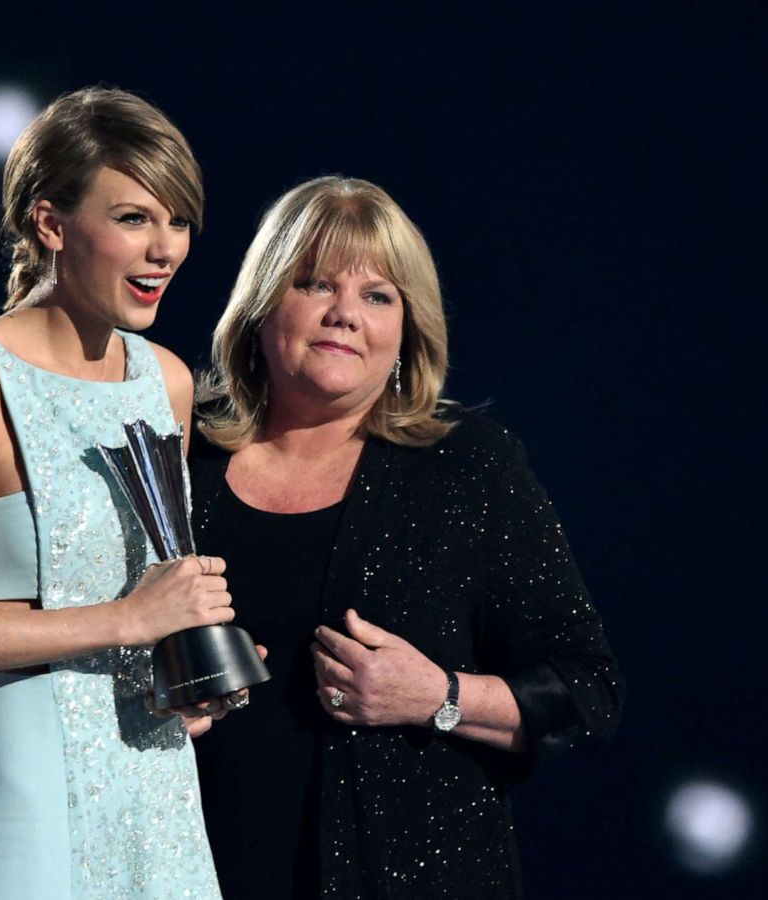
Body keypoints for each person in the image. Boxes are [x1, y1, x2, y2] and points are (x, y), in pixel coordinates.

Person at [190, 175, 623, 898]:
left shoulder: (470, 468)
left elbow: (587, 691)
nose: (344, 316)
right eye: (314, 284)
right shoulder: (182, 459)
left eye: (377, 296)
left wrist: (437, 695)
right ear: (262, 307)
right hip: (192, 873)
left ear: (407, 329)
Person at [0, 87, 242, 899]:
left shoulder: (167, 382)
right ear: (50, 224)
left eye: (177, 221)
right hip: (23, 789)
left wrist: (180, 667)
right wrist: (128, 622)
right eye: (133, 219)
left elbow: (148, 603)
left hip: (155, 789)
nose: (165, 250)